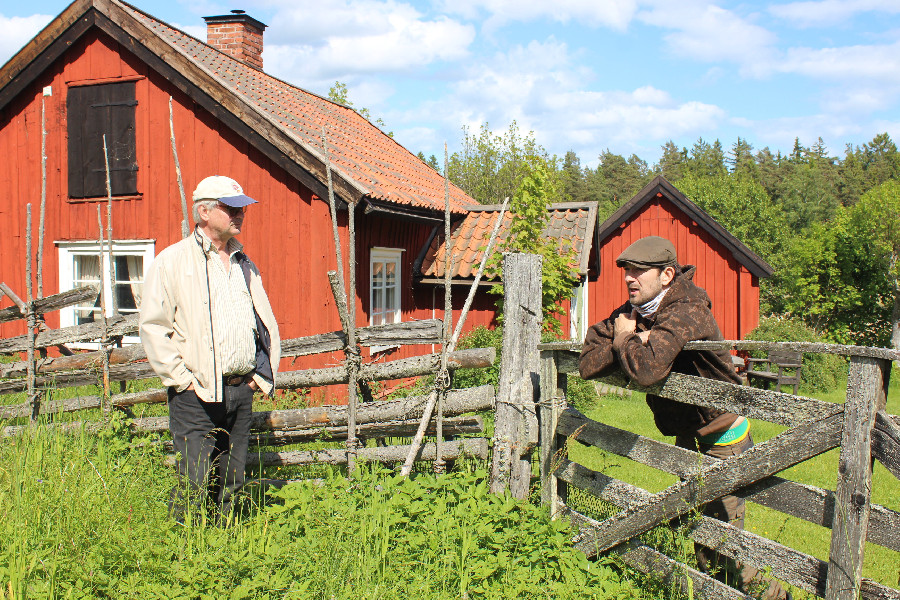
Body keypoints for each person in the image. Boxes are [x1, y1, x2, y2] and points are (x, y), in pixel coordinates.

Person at [579, 236, 787, 600]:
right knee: (700, 535)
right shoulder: (637, 313)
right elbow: (587, 362)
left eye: (639, 271)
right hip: (689, 436)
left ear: (667, 275)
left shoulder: (687, 310)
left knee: (723, 546)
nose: (629, 278)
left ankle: (773, 597)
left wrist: (628, 340)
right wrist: (628, 339)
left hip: (724, 437)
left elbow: (646, 372)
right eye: (627, 271)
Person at [140, 175, 280, 523]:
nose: (239, 214)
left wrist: (258, 377)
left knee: (232, 479)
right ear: (203, 212)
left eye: (241, 208)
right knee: (194, 479)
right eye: (230, 207)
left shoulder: (243, 263)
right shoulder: (172, 262)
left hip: (240, 389)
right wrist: (182, 380)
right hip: (196, 393)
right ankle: (187, 552)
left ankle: (225, 544)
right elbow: (154, 326)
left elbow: (262, 322)